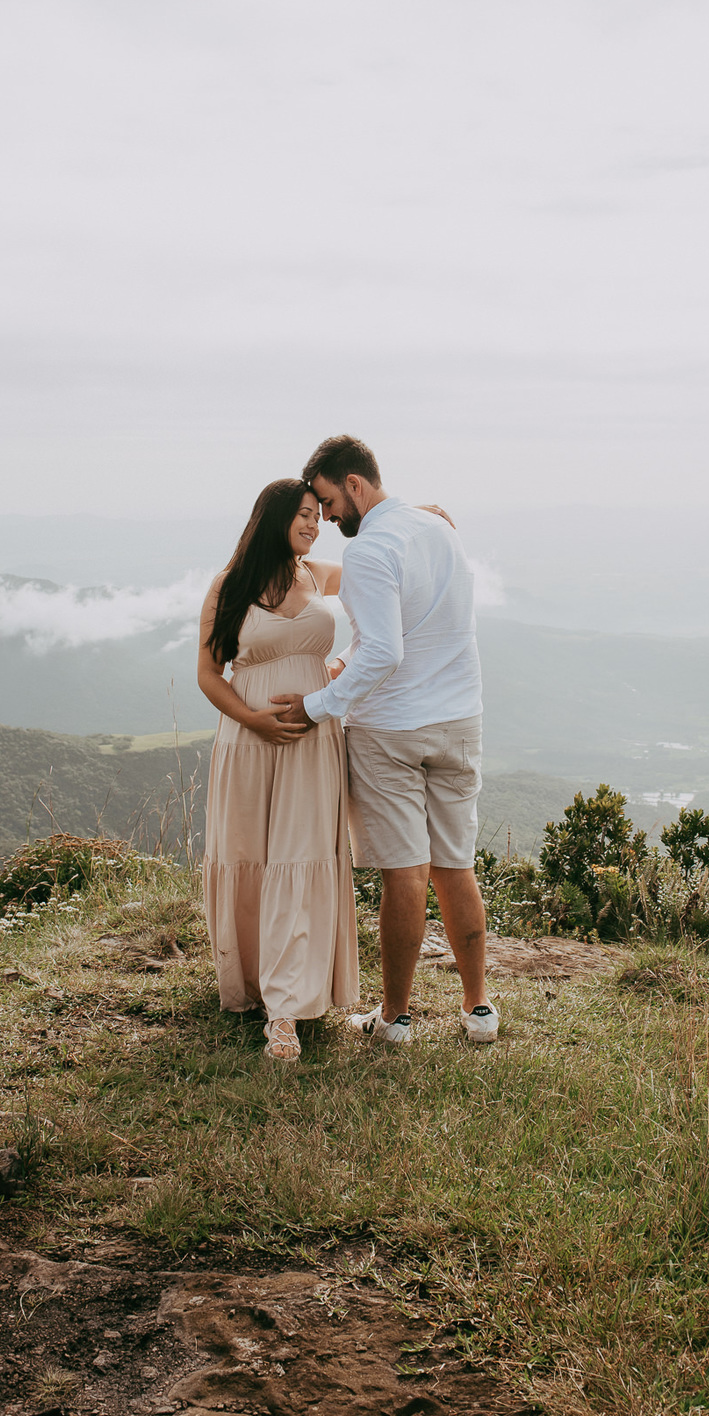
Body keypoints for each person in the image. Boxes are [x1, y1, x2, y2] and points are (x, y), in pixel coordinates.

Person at [272, 436, 499, 1047]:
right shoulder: (439, 529)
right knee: (455, 864)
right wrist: (348, 660)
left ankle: (395, 1019)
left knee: (406, 870)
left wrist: (318, 705)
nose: (328, 517)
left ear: (354, 483)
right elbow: (414, 625)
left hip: (392, 728)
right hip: (459, 719)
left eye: (327, 500)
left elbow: (387, 648)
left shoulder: (372, 548)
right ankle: (478, 1010)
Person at [196, 479, 358, 1063]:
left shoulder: (317, 576)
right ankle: (254, 984)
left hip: (313, 739)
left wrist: (416, 517)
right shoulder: (229, 585)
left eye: (318, 515)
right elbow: (209, 674)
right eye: (304, 515)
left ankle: (286, 1008)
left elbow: (377, 564)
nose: (314, 525)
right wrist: (254, 721)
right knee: (251, 857)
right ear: (273, 518)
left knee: (302, 854)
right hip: (248, 738)